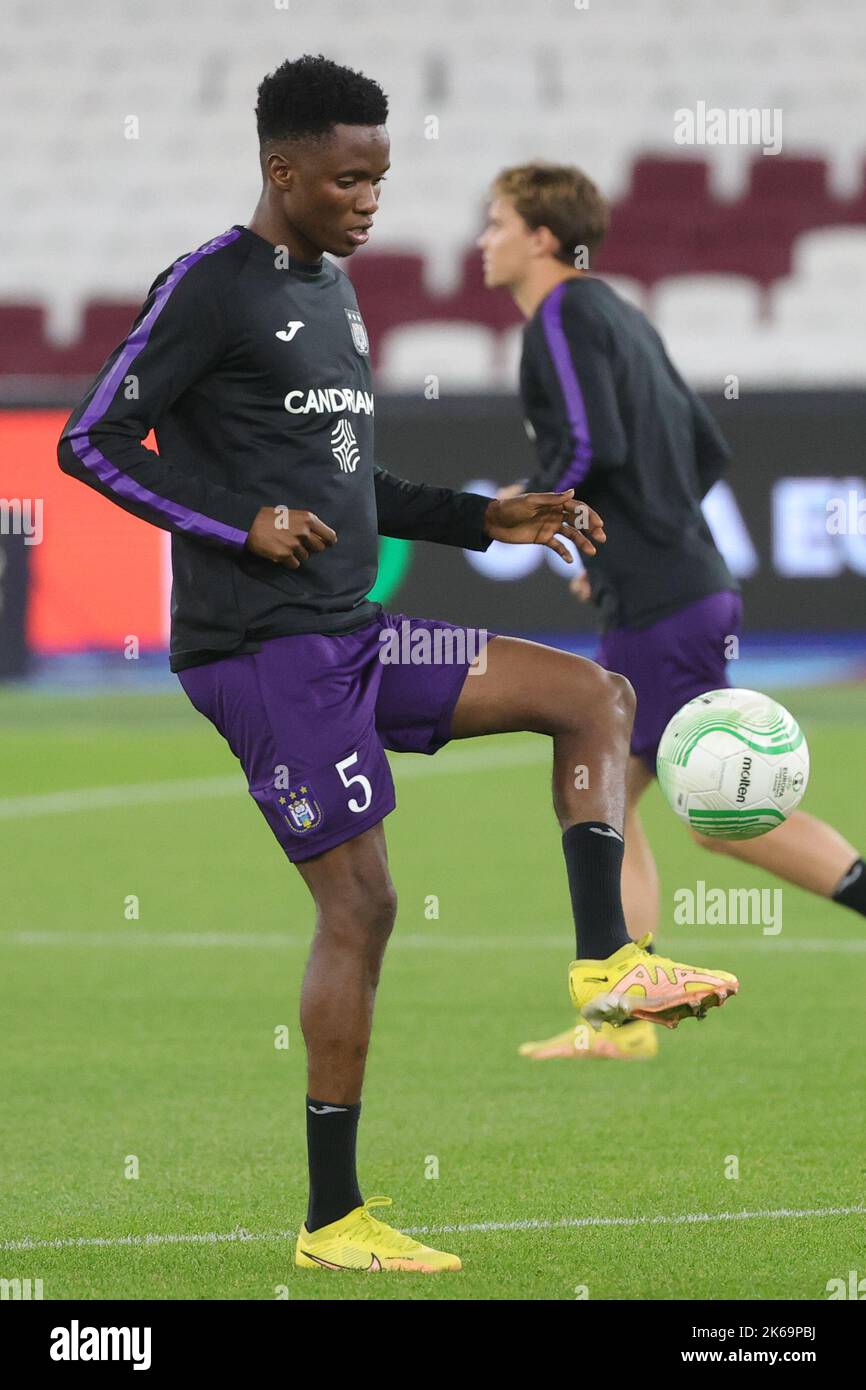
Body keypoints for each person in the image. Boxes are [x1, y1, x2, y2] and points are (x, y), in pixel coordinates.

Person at [57, 58, 738, 1275]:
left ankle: (608, 970)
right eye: (347, 177)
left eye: (381, 175)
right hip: (264, 651)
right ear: (282, 171)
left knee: (593, 696)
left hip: (359, 635)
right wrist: (237, 523)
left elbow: (344, 489)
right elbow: (90, 439)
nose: (372, 199)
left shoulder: (332, 292)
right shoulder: (210, 286)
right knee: (363, 906)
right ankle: (333, 1220)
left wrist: (489, 517)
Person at [478, 161, 866, 1063]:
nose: (483, 239)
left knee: (666, 801)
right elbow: (705, 446)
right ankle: (622, 1014)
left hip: (665, 602)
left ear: (541, 237)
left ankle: (619, 1011)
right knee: (631, 795)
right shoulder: (621, 311)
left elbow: (588, 442)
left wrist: (533, 506)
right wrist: (624, 538)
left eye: (496, 223)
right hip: (678, 589)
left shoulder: (563, 316)